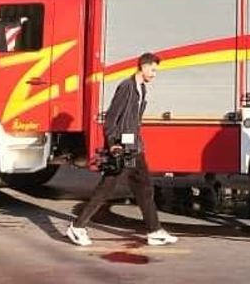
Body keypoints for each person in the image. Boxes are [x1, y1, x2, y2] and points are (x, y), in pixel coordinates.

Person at [66, 53, 178, 248]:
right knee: (107, 188)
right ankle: (77, 227)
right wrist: (113, 144)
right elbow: (111, 118)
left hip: (134, 148)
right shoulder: (126, 87)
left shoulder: (141, 88)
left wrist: (135, 144)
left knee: (145, 188)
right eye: (153, 70)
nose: (154, 74)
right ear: (143, 67)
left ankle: (154, 231)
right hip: (123, 149)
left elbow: (133, 121)